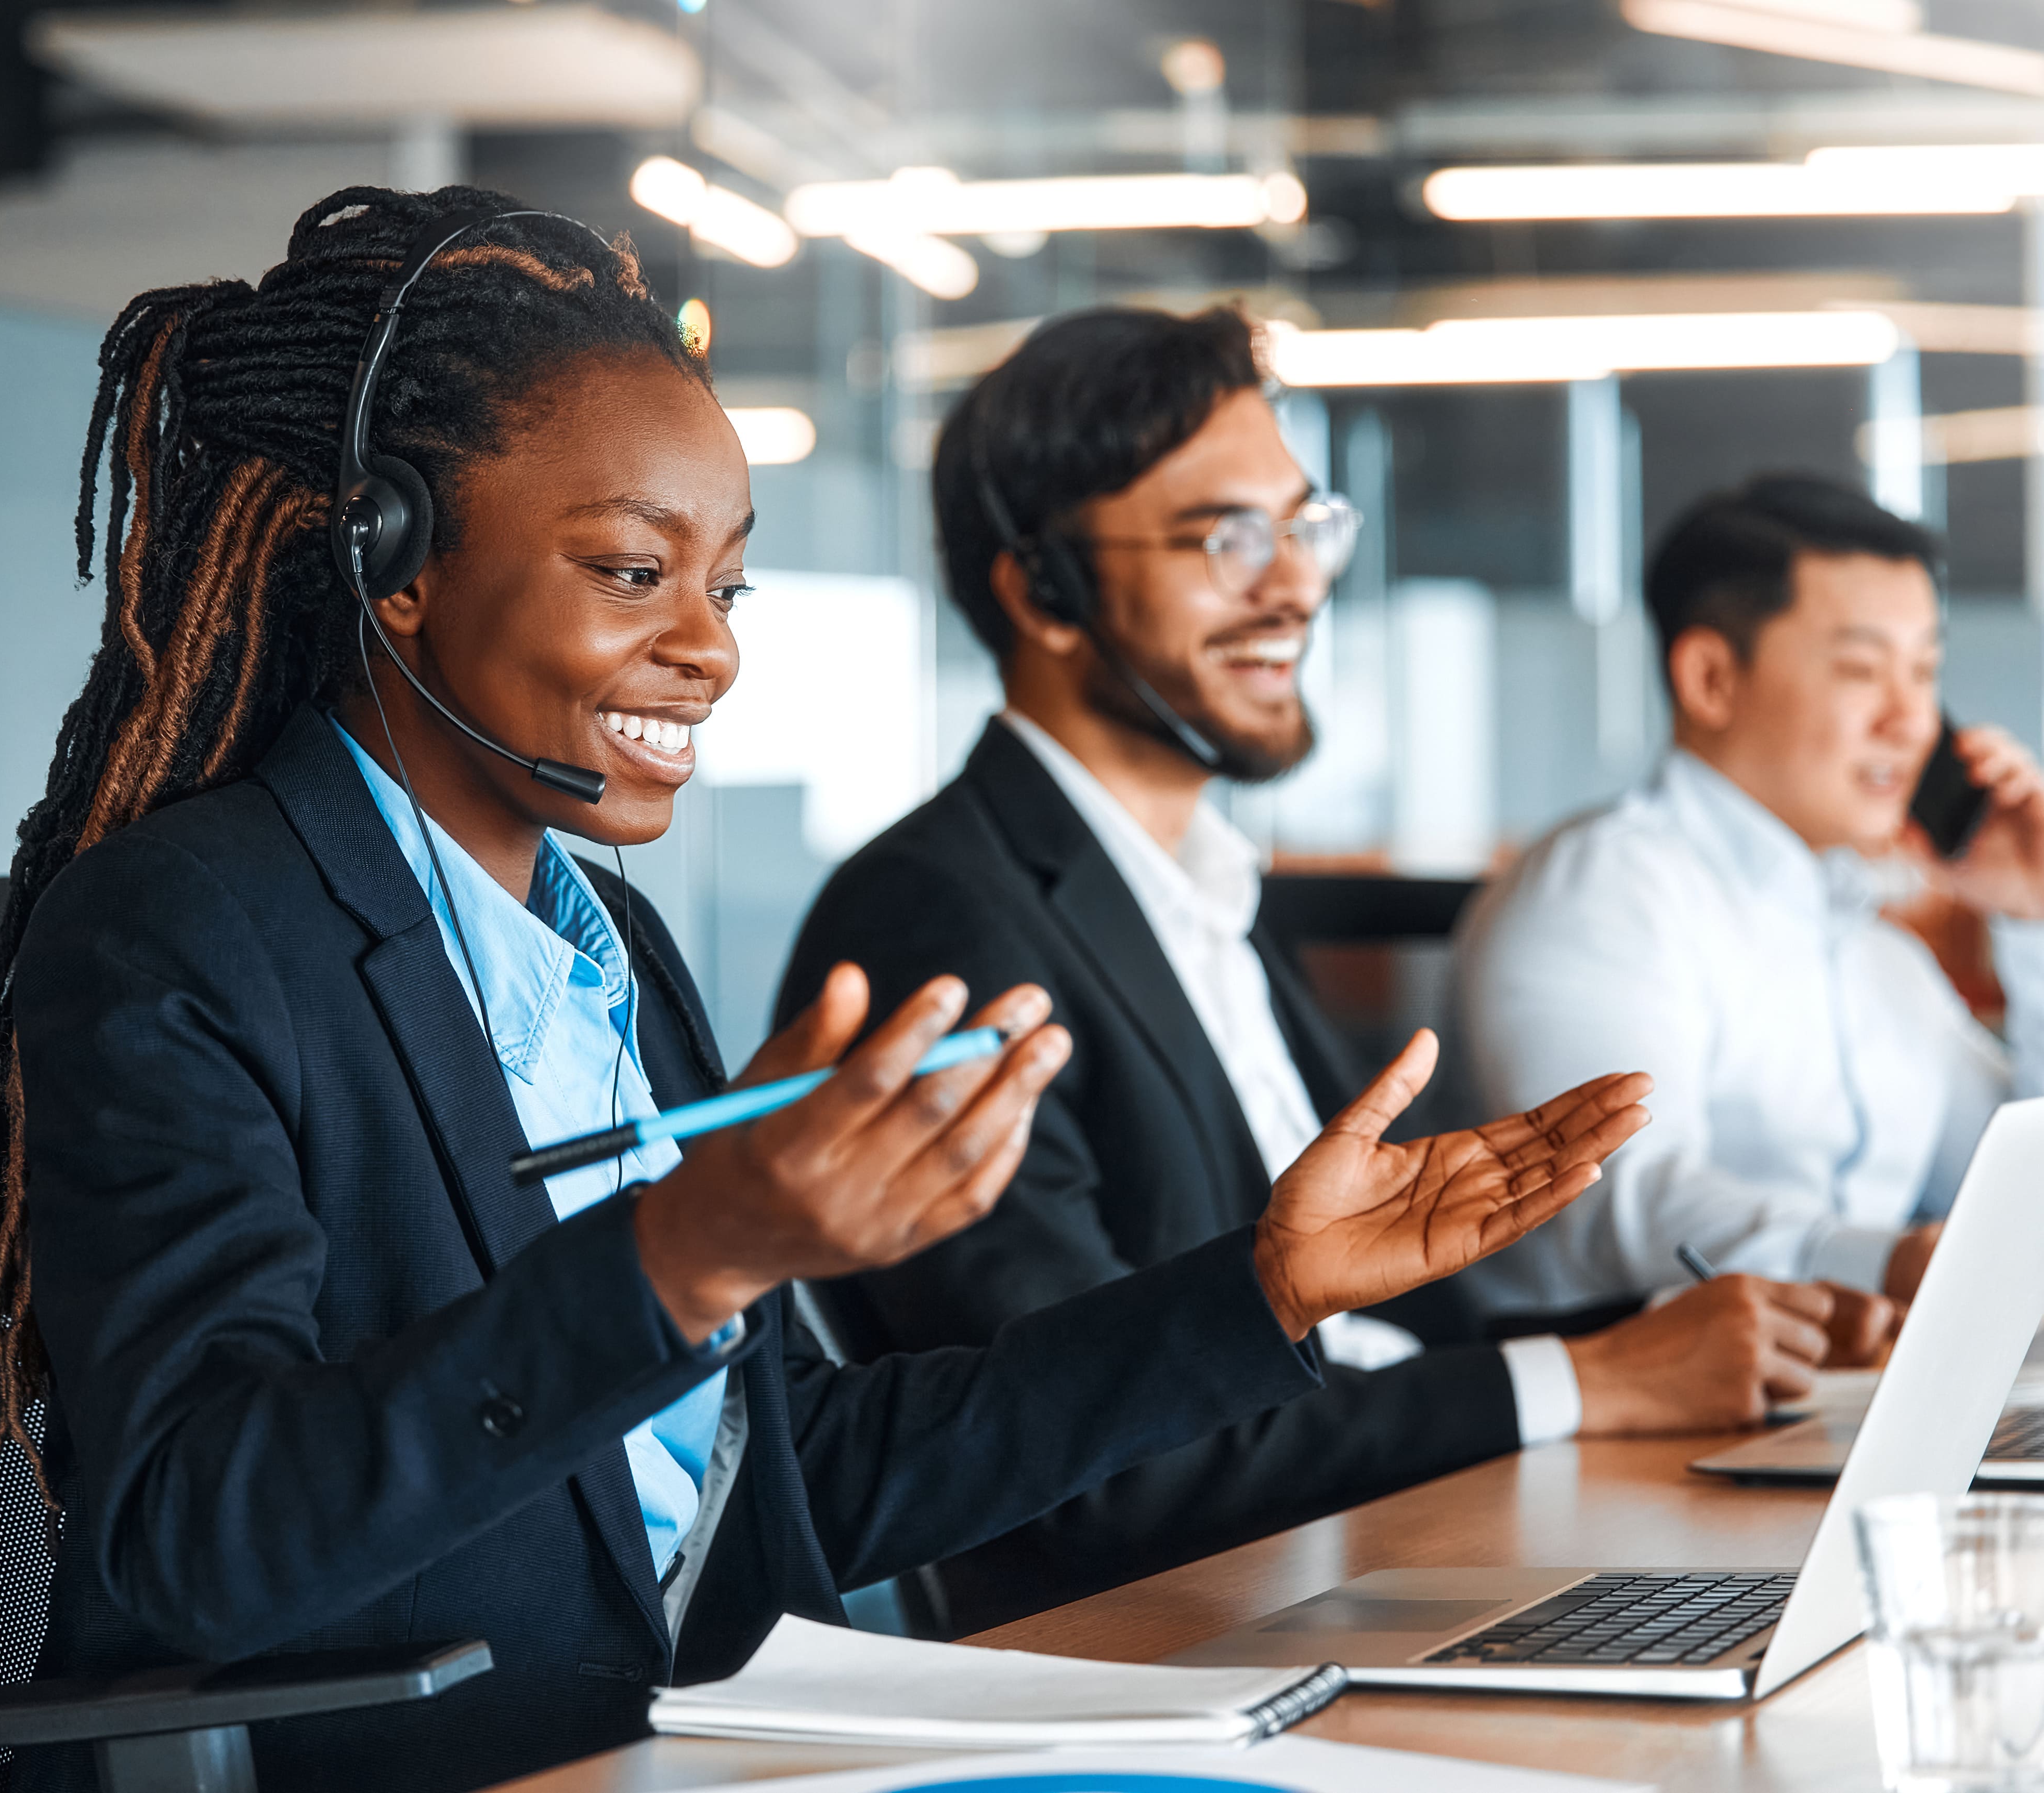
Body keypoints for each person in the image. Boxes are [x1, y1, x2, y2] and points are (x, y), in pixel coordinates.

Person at [0, 191, 1652, 1793]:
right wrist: (687, 1252)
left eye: (726, 582)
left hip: (722, 1735)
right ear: (392, 561)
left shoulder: (601, 945)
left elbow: (789, 1475)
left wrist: (1257, 1294)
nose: (710, 646)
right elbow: (192, 1540)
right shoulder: (184, 933)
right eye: (633, 571)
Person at [777, 308, 1871, 1630]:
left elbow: (1368, 1333)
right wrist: (1585, 1380)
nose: (1291, 584)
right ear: (1042, 590)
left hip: (1359, 1569)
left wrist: (1696, 1335)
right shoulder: (934, 919)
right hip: (1175, 1649)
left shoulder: (1202, 894)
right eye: (1222, 538)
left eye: (1303, 528)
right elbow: (1090, 1469)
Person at [1453, 472, 2044, 1320]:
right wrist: (1879, 1264)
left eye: (1926, 672)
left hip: (1837, 1409)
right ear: (1711, 678)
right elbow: (1615, 1197)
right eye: (1863, 670)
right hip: (1615, 1423)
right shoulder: (1604, 889)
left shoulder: (1869, 945)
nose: (1912, 721)